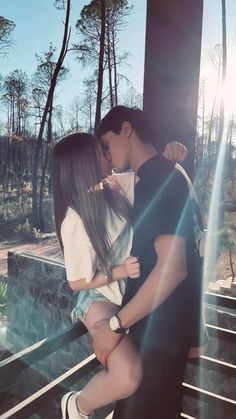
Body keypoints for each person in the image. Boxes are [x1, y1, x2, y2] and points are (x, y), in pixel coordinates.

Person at [51, 132, 187, 419]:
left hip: (126, 293)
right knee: (127, 376)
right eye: (99, 152)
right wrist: (119, 271)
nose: (107, 155)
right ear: (84, 163)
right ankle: (77, 406)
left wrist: (170, 153)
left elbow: (150, 176)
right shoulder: (74, 219)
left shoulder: (116, 187)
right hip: (98, 298)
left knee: (146, 365)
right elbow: (76, 282)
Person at [93, 106, 208, 419]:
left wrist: (115, 326)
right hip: (165, 335)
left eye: (107, 144)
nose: (106, 155)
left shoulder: (158, 177)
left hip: (159, 337)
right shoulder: (160, 175)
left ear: (127, 129)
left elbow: (172, 268)